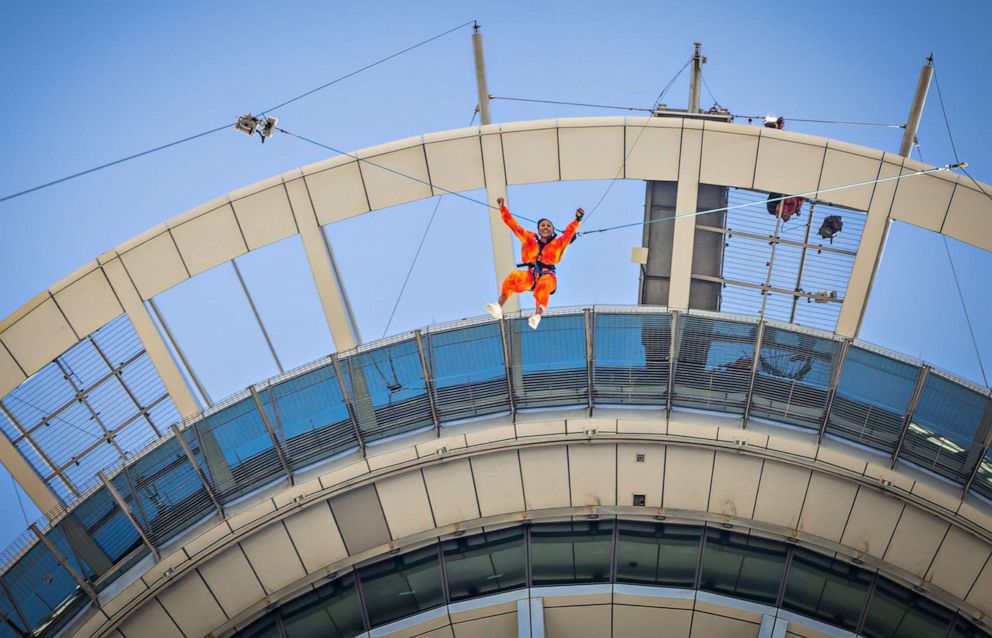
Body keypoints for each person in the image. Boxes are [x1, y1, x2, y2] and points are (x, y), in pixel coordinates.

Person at [486, 197, 584, 329]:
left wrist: (577, 219)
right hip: (531, 275)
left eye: (548, 226)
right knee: (514, 276)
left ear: (553, 230)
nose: (545, 227)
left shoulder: (558, 243)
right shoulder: (529, 239)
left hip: (548, 275)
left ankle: (537, 316)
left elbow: (569, 233)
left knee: (544, 284)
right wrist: (503, 209)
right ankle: (498, 306)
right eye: (542, 225)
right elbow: (514, 226)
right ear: (538, 230)